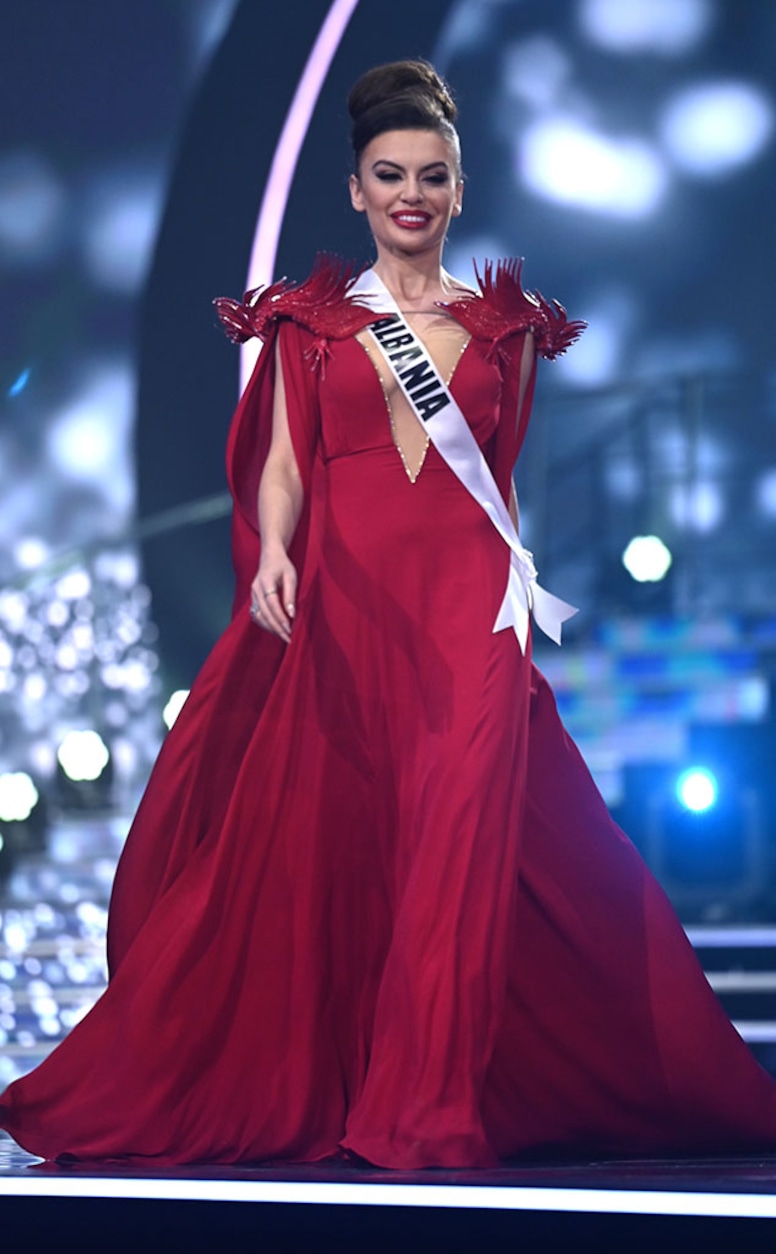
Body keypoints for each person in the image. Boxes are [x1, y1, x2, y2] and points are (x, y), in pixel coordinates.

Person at [2, 59, 776, 1170]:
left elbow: (503, 481)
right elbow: (281, 465)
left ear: (458, 190)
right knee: (350, 843)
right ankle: (353, 1083)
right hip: (350, 601)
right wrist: (273, 547)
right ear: (356, 191)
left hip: (469, 606)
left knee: (461, 844)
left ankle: (427, 1107)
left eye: (431, 175)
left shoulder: (508, 327)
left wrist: (519, 584)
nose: (409, 193)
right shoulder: (308, 325)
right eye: (387, 175)